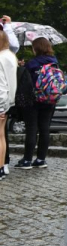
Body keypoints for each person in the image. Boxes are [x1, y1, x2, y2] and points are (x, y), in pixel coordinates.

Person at [15, 37, 58, 170]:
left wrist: (21, 67)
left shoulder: (32, 64)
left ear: (36, 48)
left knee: (31, 129)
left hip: (33, 101)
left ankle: (27, 160)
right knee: (45, 129)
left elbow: (25, 82)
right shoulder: (54, 62)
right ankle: (41, 159)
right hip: (50, 100)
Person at [0, 30, 18, 180]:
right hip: (7, 102)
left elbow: (1, 84)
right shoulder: (11, 56)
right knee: (1, 137)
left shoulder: (1, 57)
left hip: (1, 102)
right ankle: (1, 168)